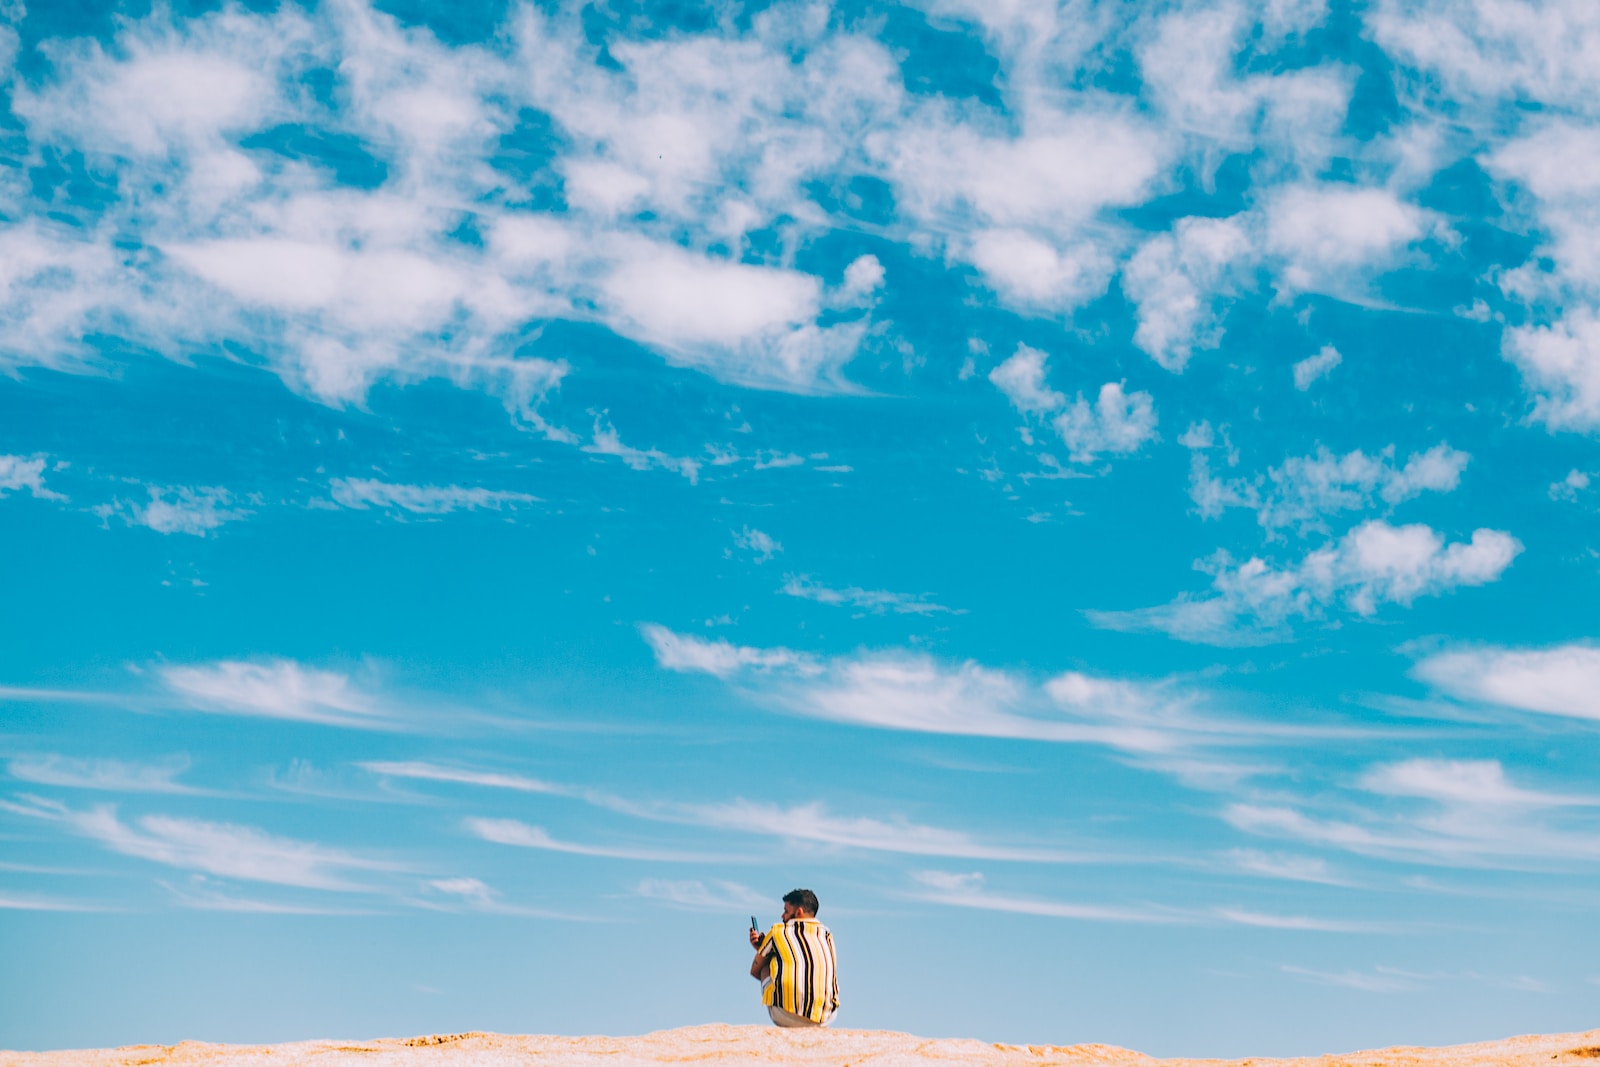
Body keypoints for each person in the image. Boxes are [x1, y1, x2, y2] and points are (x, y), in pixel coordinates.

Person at [747, 888, 839, 1028]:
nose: (782, 916)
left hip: (786, 1016)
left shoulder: (778, 931)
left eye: (786, 911)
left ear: (798, 912)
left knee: (767, 966)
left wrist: (761, 949)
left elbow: (755, 971)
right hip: (825, 1018)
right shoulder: (827, 936)